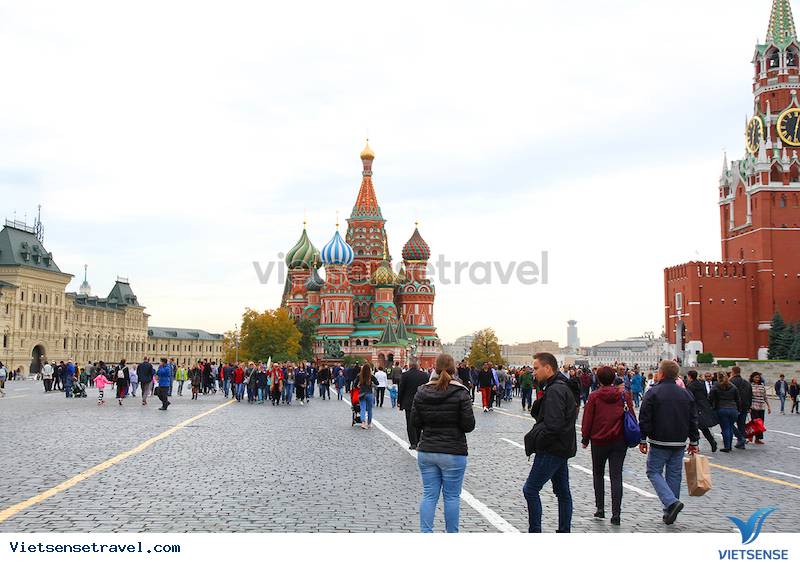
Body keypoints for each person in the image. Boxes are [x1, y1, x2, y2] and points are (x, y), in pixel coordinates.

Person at [411, 353, 475, 533]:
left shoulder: (422, 391)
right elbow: (469, 425)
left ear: (435, 368)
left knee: (429, 495)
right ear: (454, 369)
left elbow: (415, 422)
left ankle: (426, 533)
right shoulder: (461, 392)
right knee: (452, 497)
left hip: (428, 450)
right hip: (453, 451)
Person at [638, 360, 699, 525]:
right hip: (679, 441)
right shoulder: (686, 394)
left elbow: (644, 417)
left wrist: (643, 438)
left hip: (659, 440)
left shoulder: (653, 393)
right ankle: (670, 512)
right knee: (674, 475)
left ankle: (671, 502)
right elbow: (693, 419)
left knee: (653, 471)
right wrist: (694, 441)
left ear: (662, 373)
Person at [523, 352, 577, 533]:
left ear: (548, 368)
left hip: (551, 449)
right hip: (562, 447)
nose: (534, 372)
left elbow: (553, 424)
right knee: (563, 493)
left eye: (536, 368)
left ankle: (535, 531)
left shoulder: (555, 389)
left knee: (530, 489)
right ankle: (564, 530)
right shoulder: (560, 386)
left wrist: (538, 441)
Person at [580, 366, 635, 525]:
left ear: (598, 379)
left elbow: (588, 418)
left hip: (599, 440)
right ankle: (616, 513)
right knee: (616, 476)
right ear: (614, 379)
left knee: (598, 474)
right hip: (619, 440)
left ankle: (600, 508)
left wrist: (585, 438)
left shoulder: (594, 396)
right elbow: (631, 415)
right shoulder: (624, 395)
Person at [398, 359, 430, 449]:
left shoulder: (405, 375)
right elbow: (427, 389)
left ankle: (413, 443)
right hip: (421, 402)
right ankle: (419, 440)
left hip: (408, 403)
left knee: (410, 423)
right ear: (418, 365)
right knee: (420, 422)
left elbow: (401, 389)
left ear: (410, 365)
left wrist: (399, 402)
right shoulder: (425, 375)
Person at [708, 372, 741, 452]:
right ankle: (729, 446)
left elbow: (710, 397)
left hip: (721, 408)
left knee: (725, 428)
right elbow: (738, 399)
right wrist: (738, 409)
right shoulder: (733, 386)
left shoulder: (716, 386)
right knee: (730, 427)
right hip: (733, 409)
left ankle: (727, 446)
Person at [686, 370, 718, 452]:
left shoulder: (690, 386)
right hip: (703, 406)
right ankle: (712, 442)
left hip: (695, 408)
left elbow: (690, 398)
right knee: (703, 428)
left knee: (694, 427)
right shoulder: (701, 384)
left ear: (689, 376)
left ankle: (695, 445)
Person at [729, 366, 752, 450]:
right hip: (744, 406)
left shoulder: (730, 382)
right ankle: (741, 442)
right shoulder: (746, 382)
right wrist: (749, 406)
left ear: (733, 372)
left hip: (733, 406)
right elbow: (750, 395)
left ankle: (739, 439)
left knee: (729, 423)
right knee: (741, 424)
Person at [749, 372, 771, 444]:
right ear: (752, 378)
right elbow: (748, 397)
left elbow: (765, 396)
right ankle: (750, 435)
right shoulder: (750, 386)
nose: (757, 379)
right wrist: (748, 407)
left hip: (761, 406)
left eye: (758, 377)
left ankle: (758, 439)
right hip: (753, 406)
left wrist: (768, 406)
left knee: (761, 424)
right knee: (755, 423)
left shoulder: (762, 386)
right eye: (756, 377)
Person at [358, 364, 378, 429]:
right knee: (369, 409)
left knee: (362, 408)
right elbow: (377, 383)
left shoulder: (359, 376)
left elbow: (355, 384)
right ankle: (369, 423)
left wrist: (359, 385)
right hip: (369, 393)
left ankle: (363, 423)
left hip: (362, 394)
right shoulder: (371, 376)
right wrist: (371, 383)